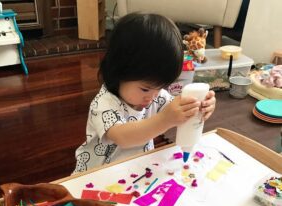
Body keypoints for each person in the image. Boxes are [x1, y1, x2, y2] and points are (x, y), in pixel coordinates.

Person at [74, 13, 216, 173]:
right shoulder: (104, 104)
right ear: (119, 71)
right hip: (97, 174)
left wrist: (199, 107)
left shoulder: (155, 95)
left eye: (161, 87)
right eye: (145, 89)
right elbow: (123, 138)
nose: (153, 97)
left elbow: (178, 109)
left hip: (135, 170)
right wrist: (165, 119)